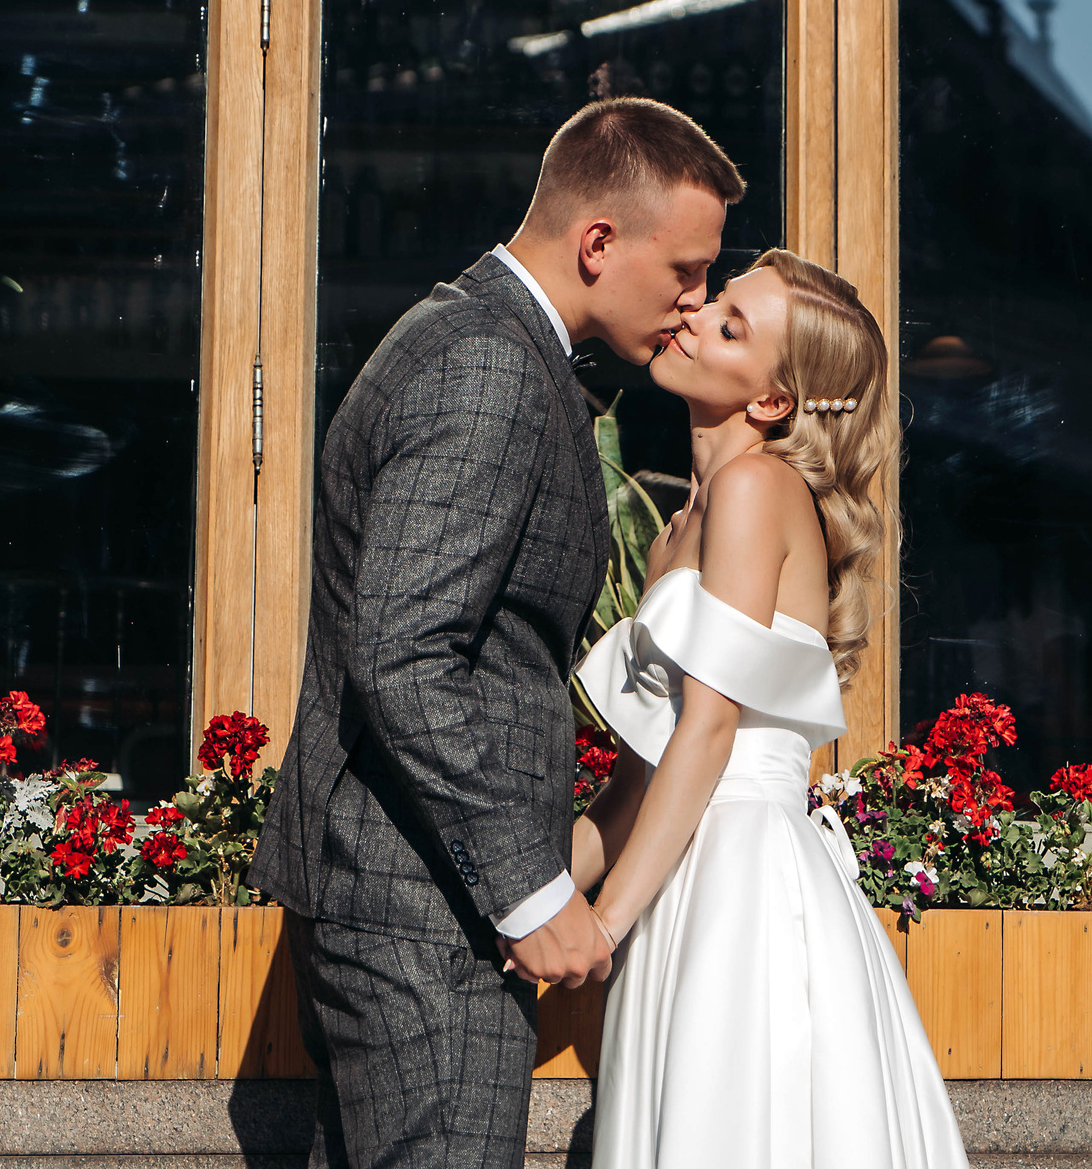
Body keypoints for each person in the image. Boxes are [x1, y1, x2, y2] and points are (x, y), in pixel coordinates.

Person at [248, 97, 745, 1169]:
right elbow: (406, 655)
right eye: (688, 272)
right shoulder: (487, 367)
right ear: (598, 243)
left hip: (413, 904)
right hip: (421, 918)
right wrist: (529, 888)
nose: (697, 301)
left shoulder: (494, 347)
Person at [571, 250, 971, 1169]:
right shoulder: (684, 523)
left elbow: (710, 729)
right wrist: (530, 902)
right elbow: (640, 770)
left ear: (773, 402)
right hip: (684, 876)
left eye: (731, 324)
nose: (696, 315)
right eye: (717, 302)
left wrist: (601, 924)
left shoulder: (757, 488)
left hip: (741, 887)